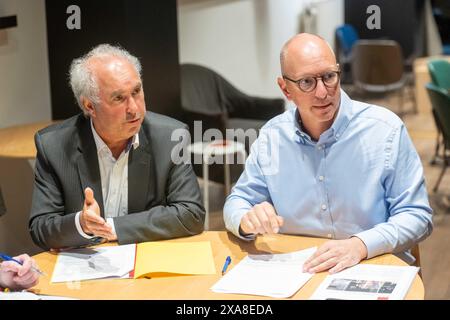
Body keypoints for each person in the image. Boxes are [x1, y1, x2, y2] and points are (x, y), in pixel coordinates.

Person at [223, 33, 433, 274]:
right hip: (299, 272)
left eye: (329, 77)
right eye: (307, 82)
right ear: (285, 89)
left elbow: (417, 216)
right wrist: (246, 220)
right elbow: (237, 201)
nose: (323, 92)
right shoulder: (272, 136)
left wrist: (361, 245)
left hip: (372, 265)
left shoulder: (385, 130)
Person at [29, 44, 205, 250]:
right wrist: (82, 224)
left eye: (137, 91)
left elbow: (191, 213)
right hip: (86, 269)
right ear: (89, 106)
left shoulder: (171, 137)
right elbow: (40, 228)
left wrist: (113, 228)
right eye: (119, 98)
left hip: (148, 266)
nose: (134, 108)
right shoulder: (54, 146)